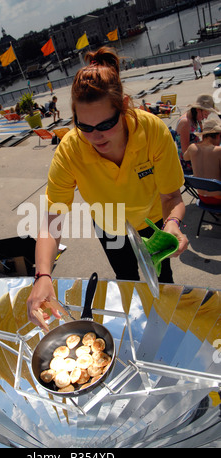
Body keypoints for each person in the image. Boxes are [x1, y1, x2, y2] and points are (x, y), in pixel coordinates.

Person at [26, 47, 189, 331]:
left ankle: (170, 326)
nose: (95, 136)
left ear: (124, 105)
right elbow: (53, 219)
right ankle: (139, 325)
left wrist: (173, 223)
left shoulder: (152, 130)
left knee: (163, 276)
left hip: (153, 218)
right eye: (83, 126)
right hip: (109, 223)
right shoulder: (71, 150)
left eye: (106, 124)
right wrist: (42, 275)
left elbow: (171, 196)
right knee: (126, 277)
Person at [175, 94, 217, 173]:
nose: (206, 118)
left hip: (196, 155)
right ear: (198, 109)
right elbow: (185, 152)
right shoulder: (185, 122)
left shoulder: (196, 120)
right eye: (205, 114)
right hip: (188, 163)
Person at [183, 119, 221, 205]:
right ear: (218, 135)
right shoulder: (219, 151)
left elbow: (185, 158)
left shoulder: (193, 148)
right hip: (218, 199)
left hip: (202, 197)